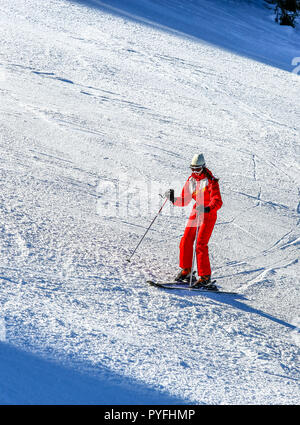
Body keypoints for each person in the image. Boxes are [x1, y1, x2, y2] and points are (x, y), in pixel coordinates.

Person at [165, 153, 223, 288]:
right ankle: (186, 271)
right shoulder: (191, 180)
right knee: (186, 240)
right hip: (196, 212)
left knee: (200, 244)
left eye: (198, 169)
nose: (195, 172)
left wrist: (208, 209)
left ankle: (205, 277)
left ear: (203, 167)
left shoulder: (211, 181)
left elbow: (218, 201)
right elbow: (185, 200)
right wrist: (173, 199)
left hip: (208, 214)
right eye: (193, 169)